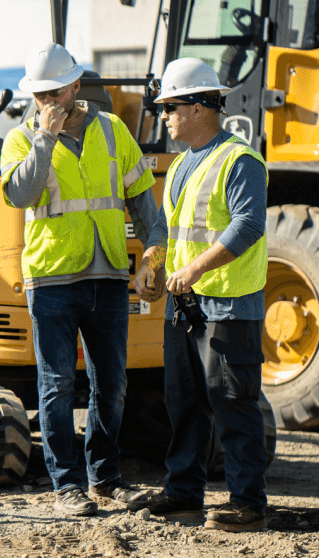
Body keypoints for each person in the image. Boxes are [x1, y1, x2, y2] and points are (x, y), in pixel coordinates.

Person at [0, 41, 159, 516]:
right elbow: (22, 195)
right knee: (56, 385)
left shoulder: (112, 131)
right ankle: (66, 486)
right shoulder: (20, 139)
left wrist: (153, 254)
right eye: (39, 94)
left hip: (109, 274)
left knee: (111, 384)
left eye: (54, 92)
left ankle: (105, 479)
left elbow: (144, 202)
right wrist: (45, 140)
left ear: (74, 86)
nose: (45, 101)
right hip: (50, 278)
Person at [131, 57, 269, 532]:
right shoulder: (182, 166)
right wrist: (152, 266)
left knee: (232, 403)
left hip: (229, 305)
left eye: (170, 107)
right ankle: (183, 494)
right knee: (184, 403)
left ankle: (248, 503)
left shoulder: (240, 160)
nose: (164, 116)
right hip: (186, 306)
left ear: (198, 108)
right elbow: (172, 231)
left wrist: (191, 269)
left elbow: (248, 225)